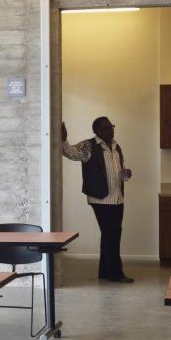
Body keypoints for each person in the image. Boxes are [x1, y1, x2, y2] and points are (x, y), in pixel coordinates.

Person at [62, 117, 133, 282]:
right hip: (101, 199)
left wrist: (125, 174)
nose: (112, 129)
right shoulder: (88, 145)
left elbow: (118, 173)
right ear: (98, 131)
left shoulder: (116, 146)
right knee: (113, 234)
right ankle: (116, 274)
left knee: (109, 235)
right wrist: (64, 140)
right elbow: (71, 153)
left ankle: (105, 272)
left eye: (112, 126)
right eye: (108, 127)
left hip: (118, 198)